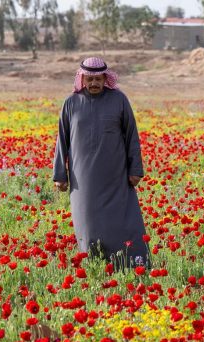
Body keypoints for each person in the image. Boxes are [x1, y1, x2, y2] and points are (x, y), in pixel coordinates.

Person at [52, 57, 149, 268]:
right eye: (89, 79)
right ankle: (95, 267)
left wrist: (135, 170)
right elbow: (62, 139)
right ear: (82, 79)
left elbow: (131, 135)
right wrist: (60, 174)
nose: (93, 83)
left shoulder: (119, 100)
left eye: (98, 79)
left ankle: (129, 264)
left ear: (106, 78)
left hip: (115, 176)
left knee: (122, 222)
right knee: (88, 223)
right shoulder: (71, 103)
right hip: (83, 179)